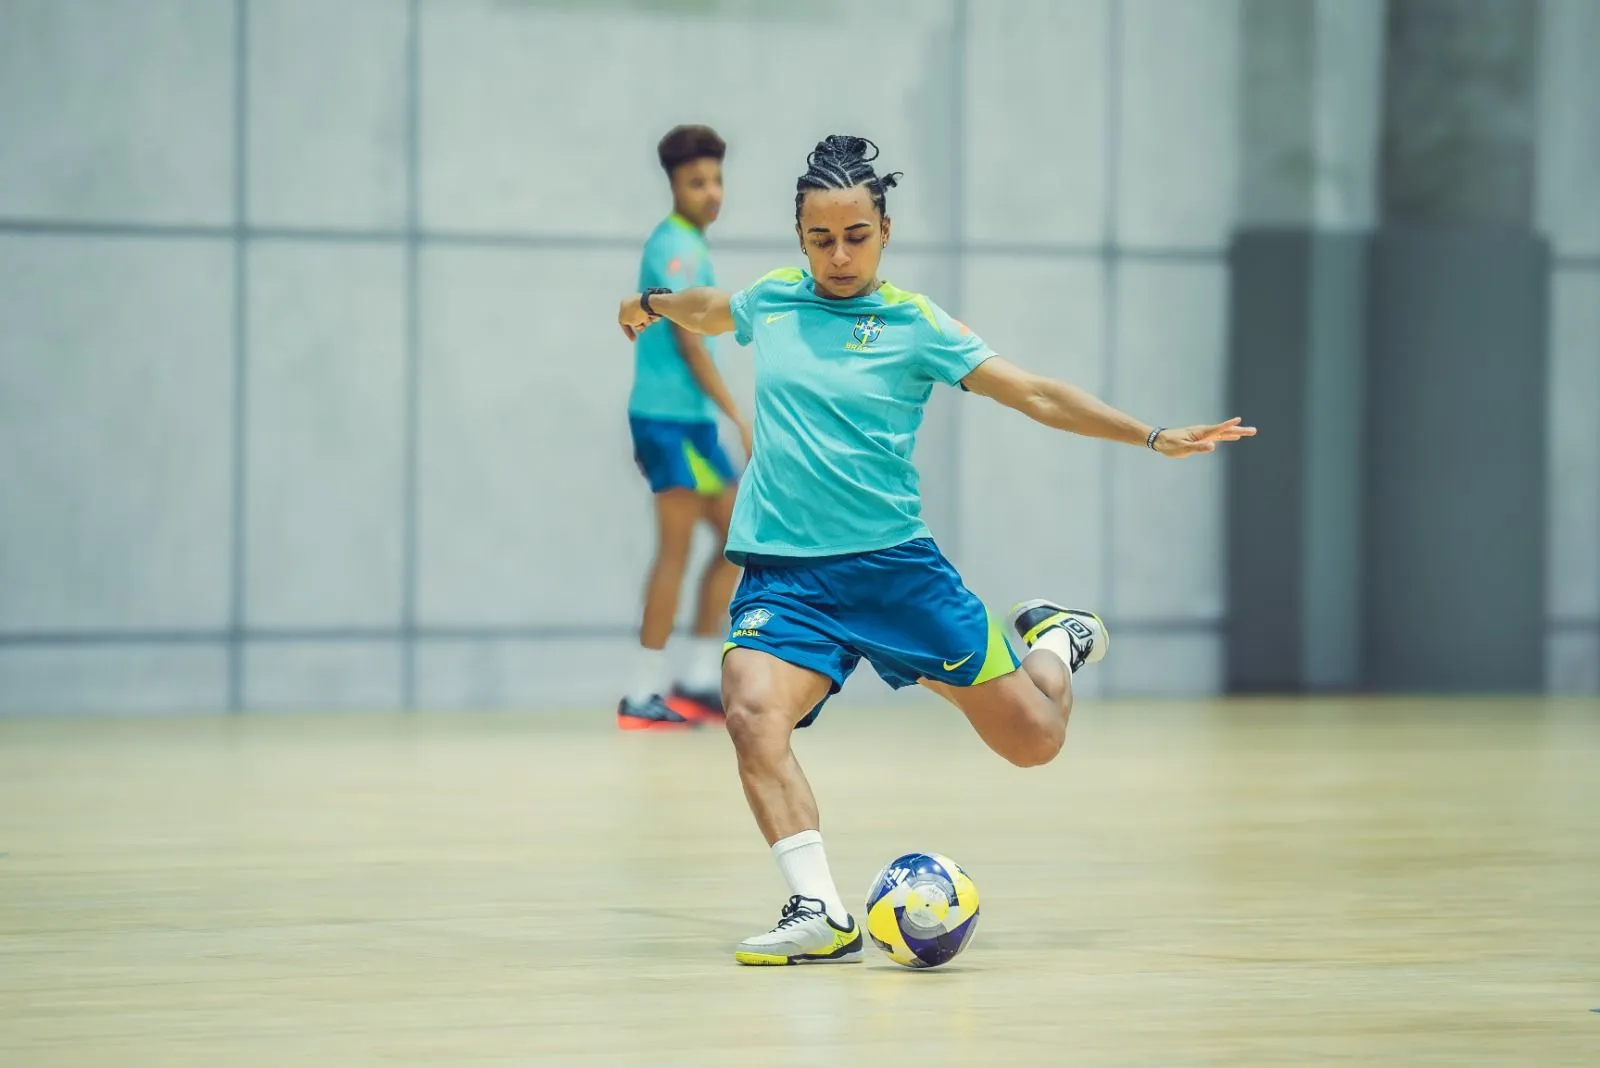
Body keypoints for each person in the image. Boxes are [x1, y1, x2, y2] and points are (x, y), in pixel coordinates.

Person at [616, 135, 1256, 962]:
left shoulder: (915, 326)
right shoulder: (773, 302)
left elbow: (1032, 393)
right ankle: (817, 910)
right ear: (799, 237)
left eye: (856, 235)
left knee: (1035, 741)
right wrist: (656, 303)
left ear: (885, 229)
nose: (839, 255)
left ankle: (1056, 642)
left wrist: (1153, 435)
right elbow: (713, 309)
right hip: (787, 577)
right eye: (820, 239)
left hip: (896, 574)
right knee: (749, 710)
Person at [619, 124, 752, 731]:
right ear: (673, 184)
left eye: (717, 179)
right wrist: (737, 416)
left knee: (732, 542)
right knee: (674, 551)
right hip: (670, 421)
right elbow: (690, 343)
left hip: (689, 425)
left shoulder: (692, 246)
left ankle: (697, 681)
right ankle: (640, 695)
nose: (712, 192)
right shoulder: (674, 248)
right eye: (698, 182)